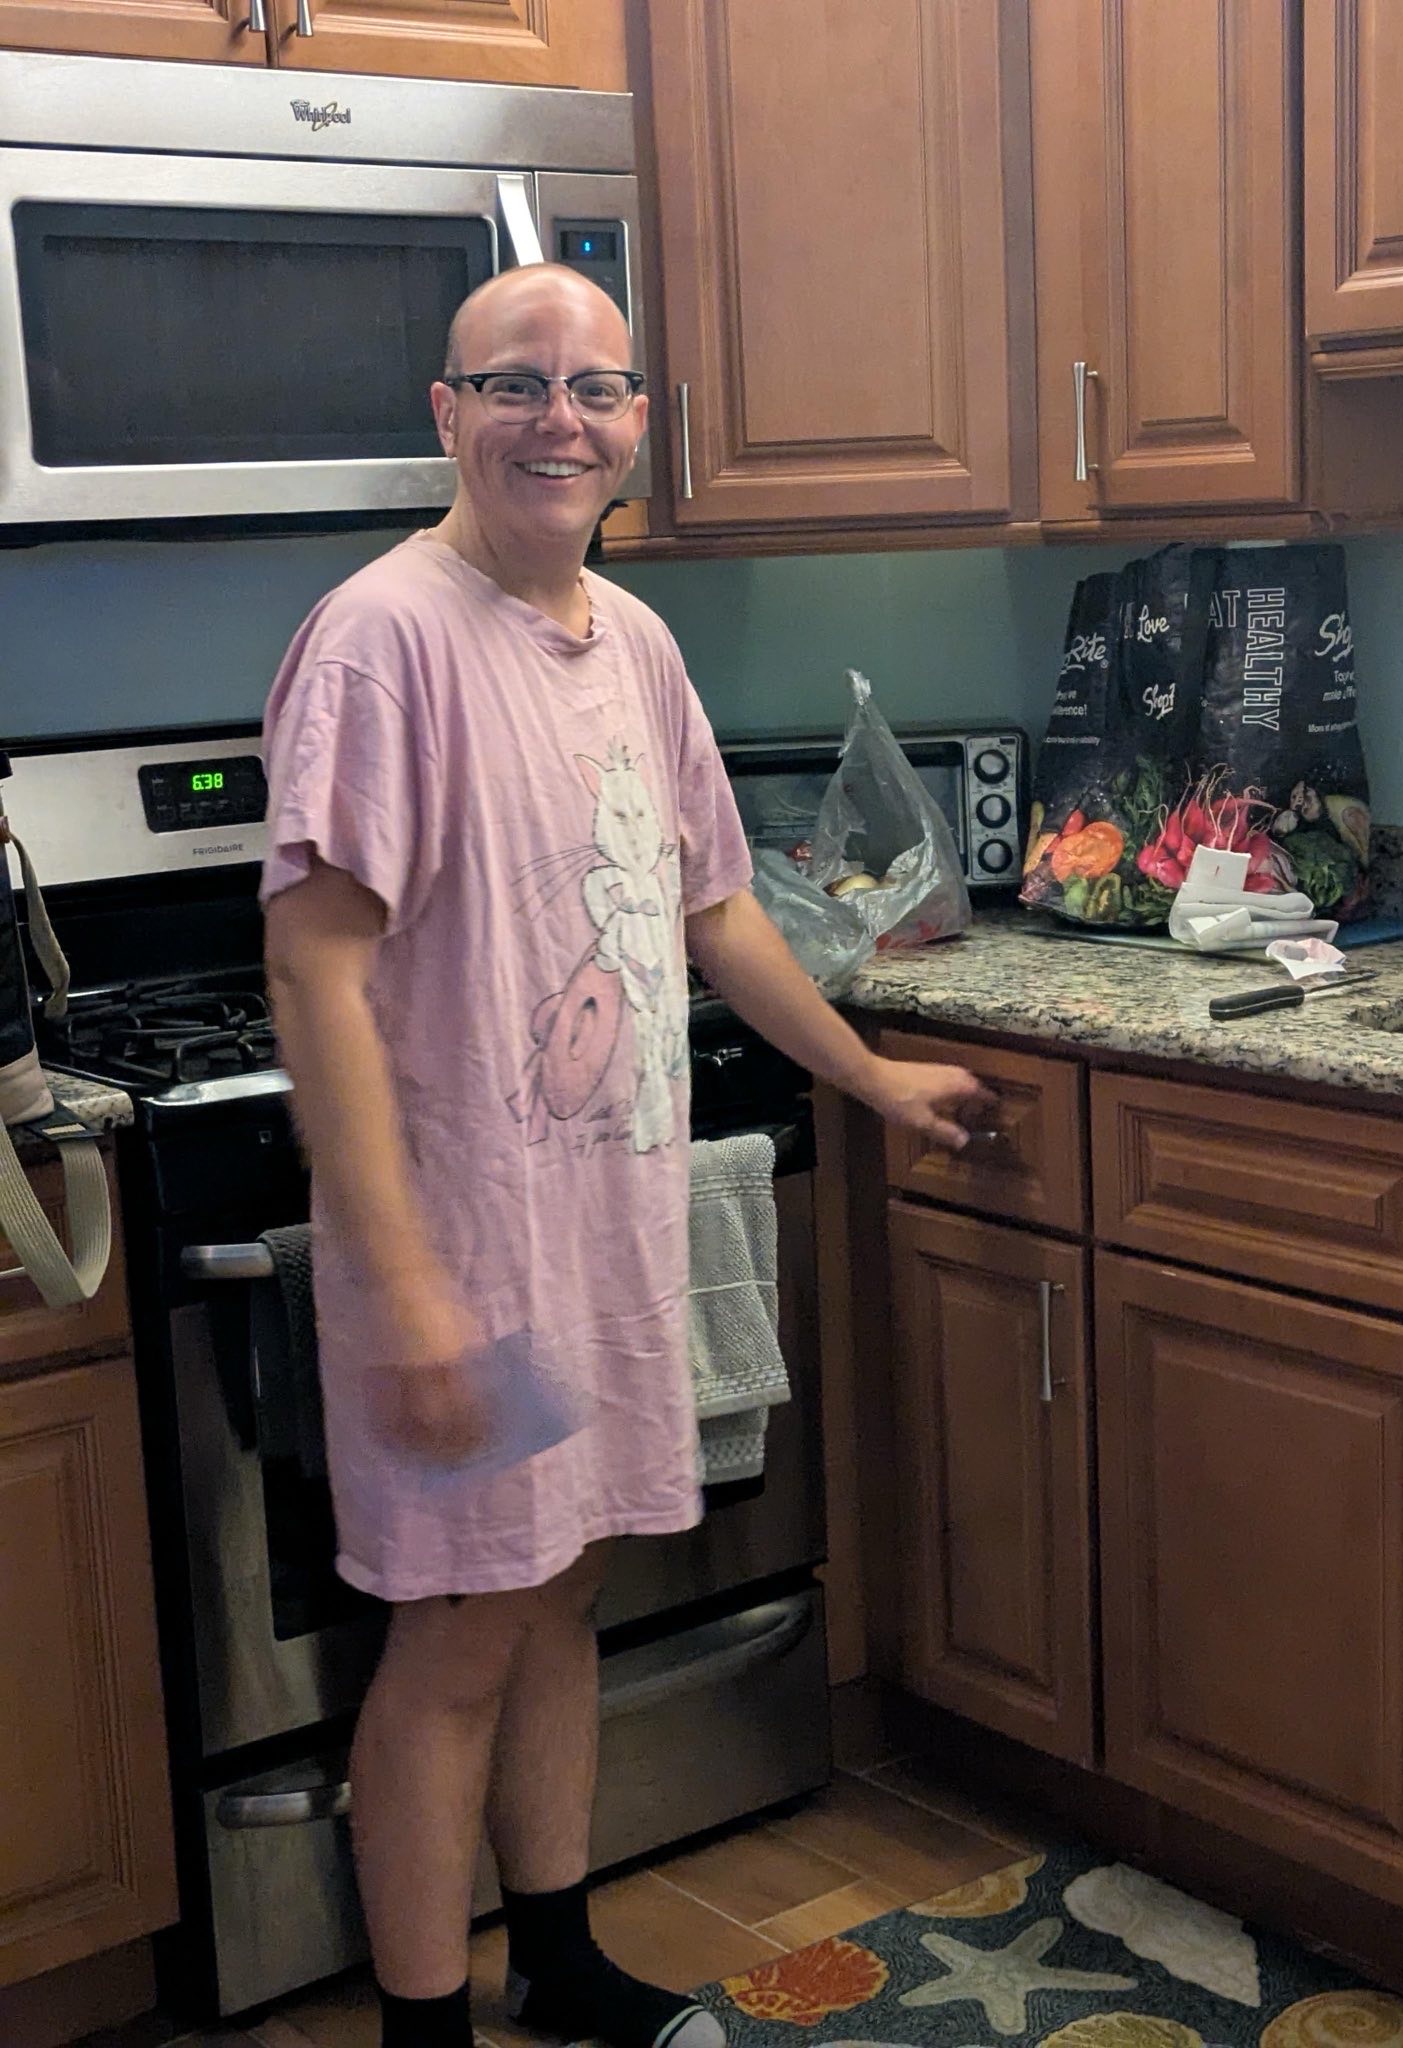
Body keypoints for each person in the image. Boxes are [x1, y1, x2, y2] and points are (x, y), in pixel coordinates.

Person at [261, 262, 995, 2048]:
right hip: (465, 1262)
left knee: (562, 1593)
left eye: (595, 387)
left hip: (603, 1232)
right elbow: (312, 972)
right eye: (516, 384)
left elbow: (713, 911)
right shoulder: (382, 639)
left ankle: (556, 1956)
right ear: (447, 412)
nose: (559, 420)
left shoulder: (634, 641)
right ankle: (423, 2024)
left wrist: (869, 1080)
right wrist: (411, 1293)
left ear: (639, 423)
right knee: (458, 1636)